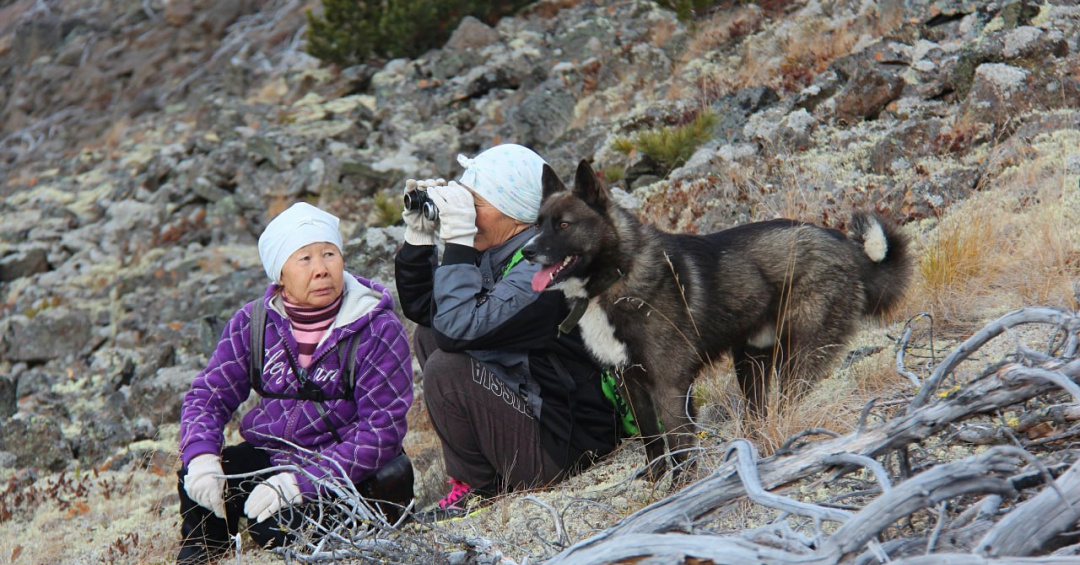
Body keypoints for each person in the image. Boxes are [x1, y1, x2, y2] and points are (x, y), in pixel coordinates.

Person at [176, 203, 414, 565]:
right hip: (272, 456)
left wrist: (301, 484)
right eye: (304, 258)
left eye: (329, 254)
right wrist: (202, 457)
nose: (321, 269)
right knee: (196, 482)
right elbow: (209, 396)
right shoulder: (251, 324)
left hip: (347, 468)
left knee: (274, 527)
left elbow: (382, 431)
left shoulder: (376, 329)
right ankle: (208, 551)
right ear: (280, 274)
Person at [394, 143, 620, 520]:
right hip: (533, 407)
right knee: (428, 334)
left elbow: (457, 333)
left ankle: (481, 489)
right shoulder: (500, 251)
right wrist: (419, 240)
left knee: (447, 367)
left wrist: (459, 243)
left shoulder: (541, 273)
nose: (465, 213)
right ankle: (485, 477)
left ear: (514, 214)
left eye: (474, 204)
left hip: (567, 446)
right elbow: (427, 313)